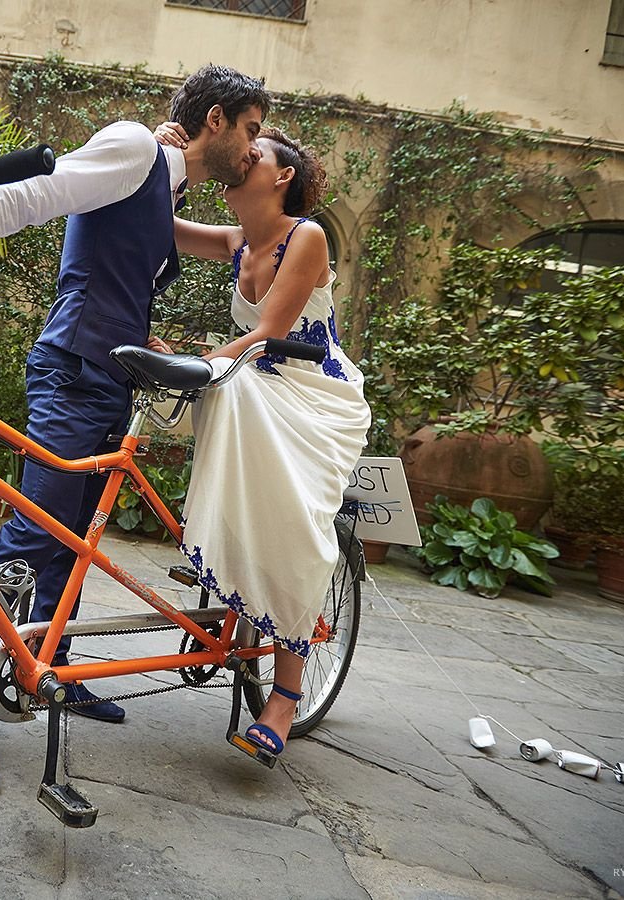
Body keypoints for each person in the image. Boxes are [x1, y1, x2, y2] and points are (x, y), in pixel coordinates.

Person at [0, 65, 270, 789]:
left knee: (74, 536)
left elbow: (175, 248)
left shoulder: (164, 179)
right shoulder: (136, 147)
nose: (253, 145)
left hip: (110, 375)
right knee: (32, 534)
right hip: (74, 371)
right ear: (216, 121)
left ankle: (56, 667)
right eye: (251, 130)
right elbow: (39, 191)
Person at [152, 121, 370, 760]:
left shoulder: (307, 236)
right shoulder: (236, 240)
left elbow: (270, 332)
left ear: (283, 176)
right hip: (254, 387)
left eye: (255, 154)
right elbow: (157, 224)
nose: (241, 158)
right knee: (220, 389)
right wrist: (167, 160)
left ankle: (286, 694)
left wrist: (199, 363)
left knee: (293, 525)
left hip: (312, 395)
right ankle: (227, 562)